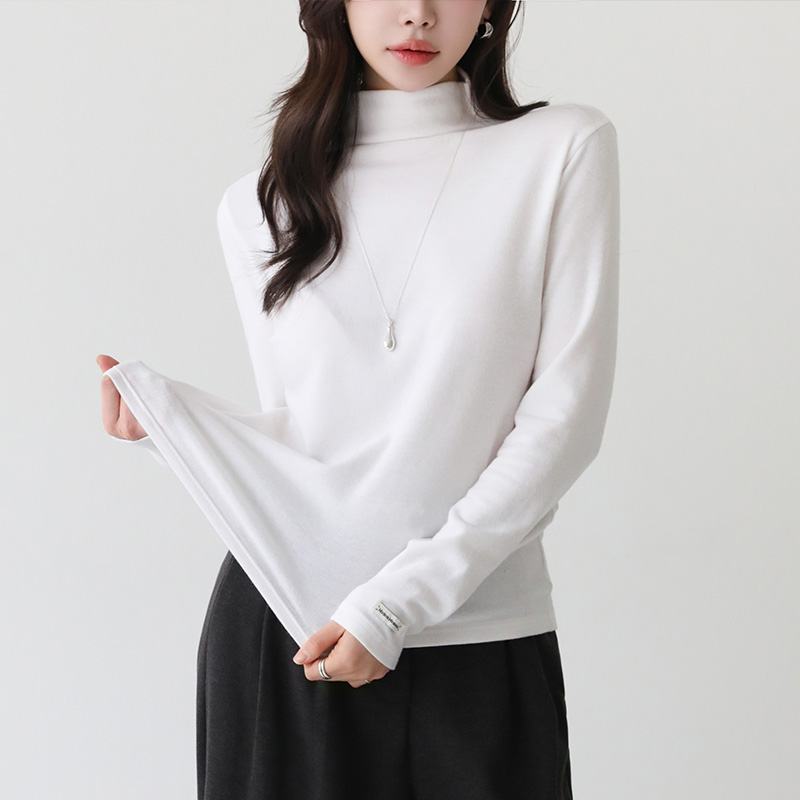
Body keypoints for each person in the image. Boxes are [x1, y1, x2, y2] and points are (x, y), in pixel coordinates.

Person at [97, 1, 620, 797]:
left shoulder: (561, 150)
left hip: (477, 637)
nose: (418, 14)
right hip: (293, 632)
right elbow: (312, 445)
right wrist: (176, 432)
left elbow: (564, 421)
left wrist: (395, 608)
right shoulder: (259, 204)